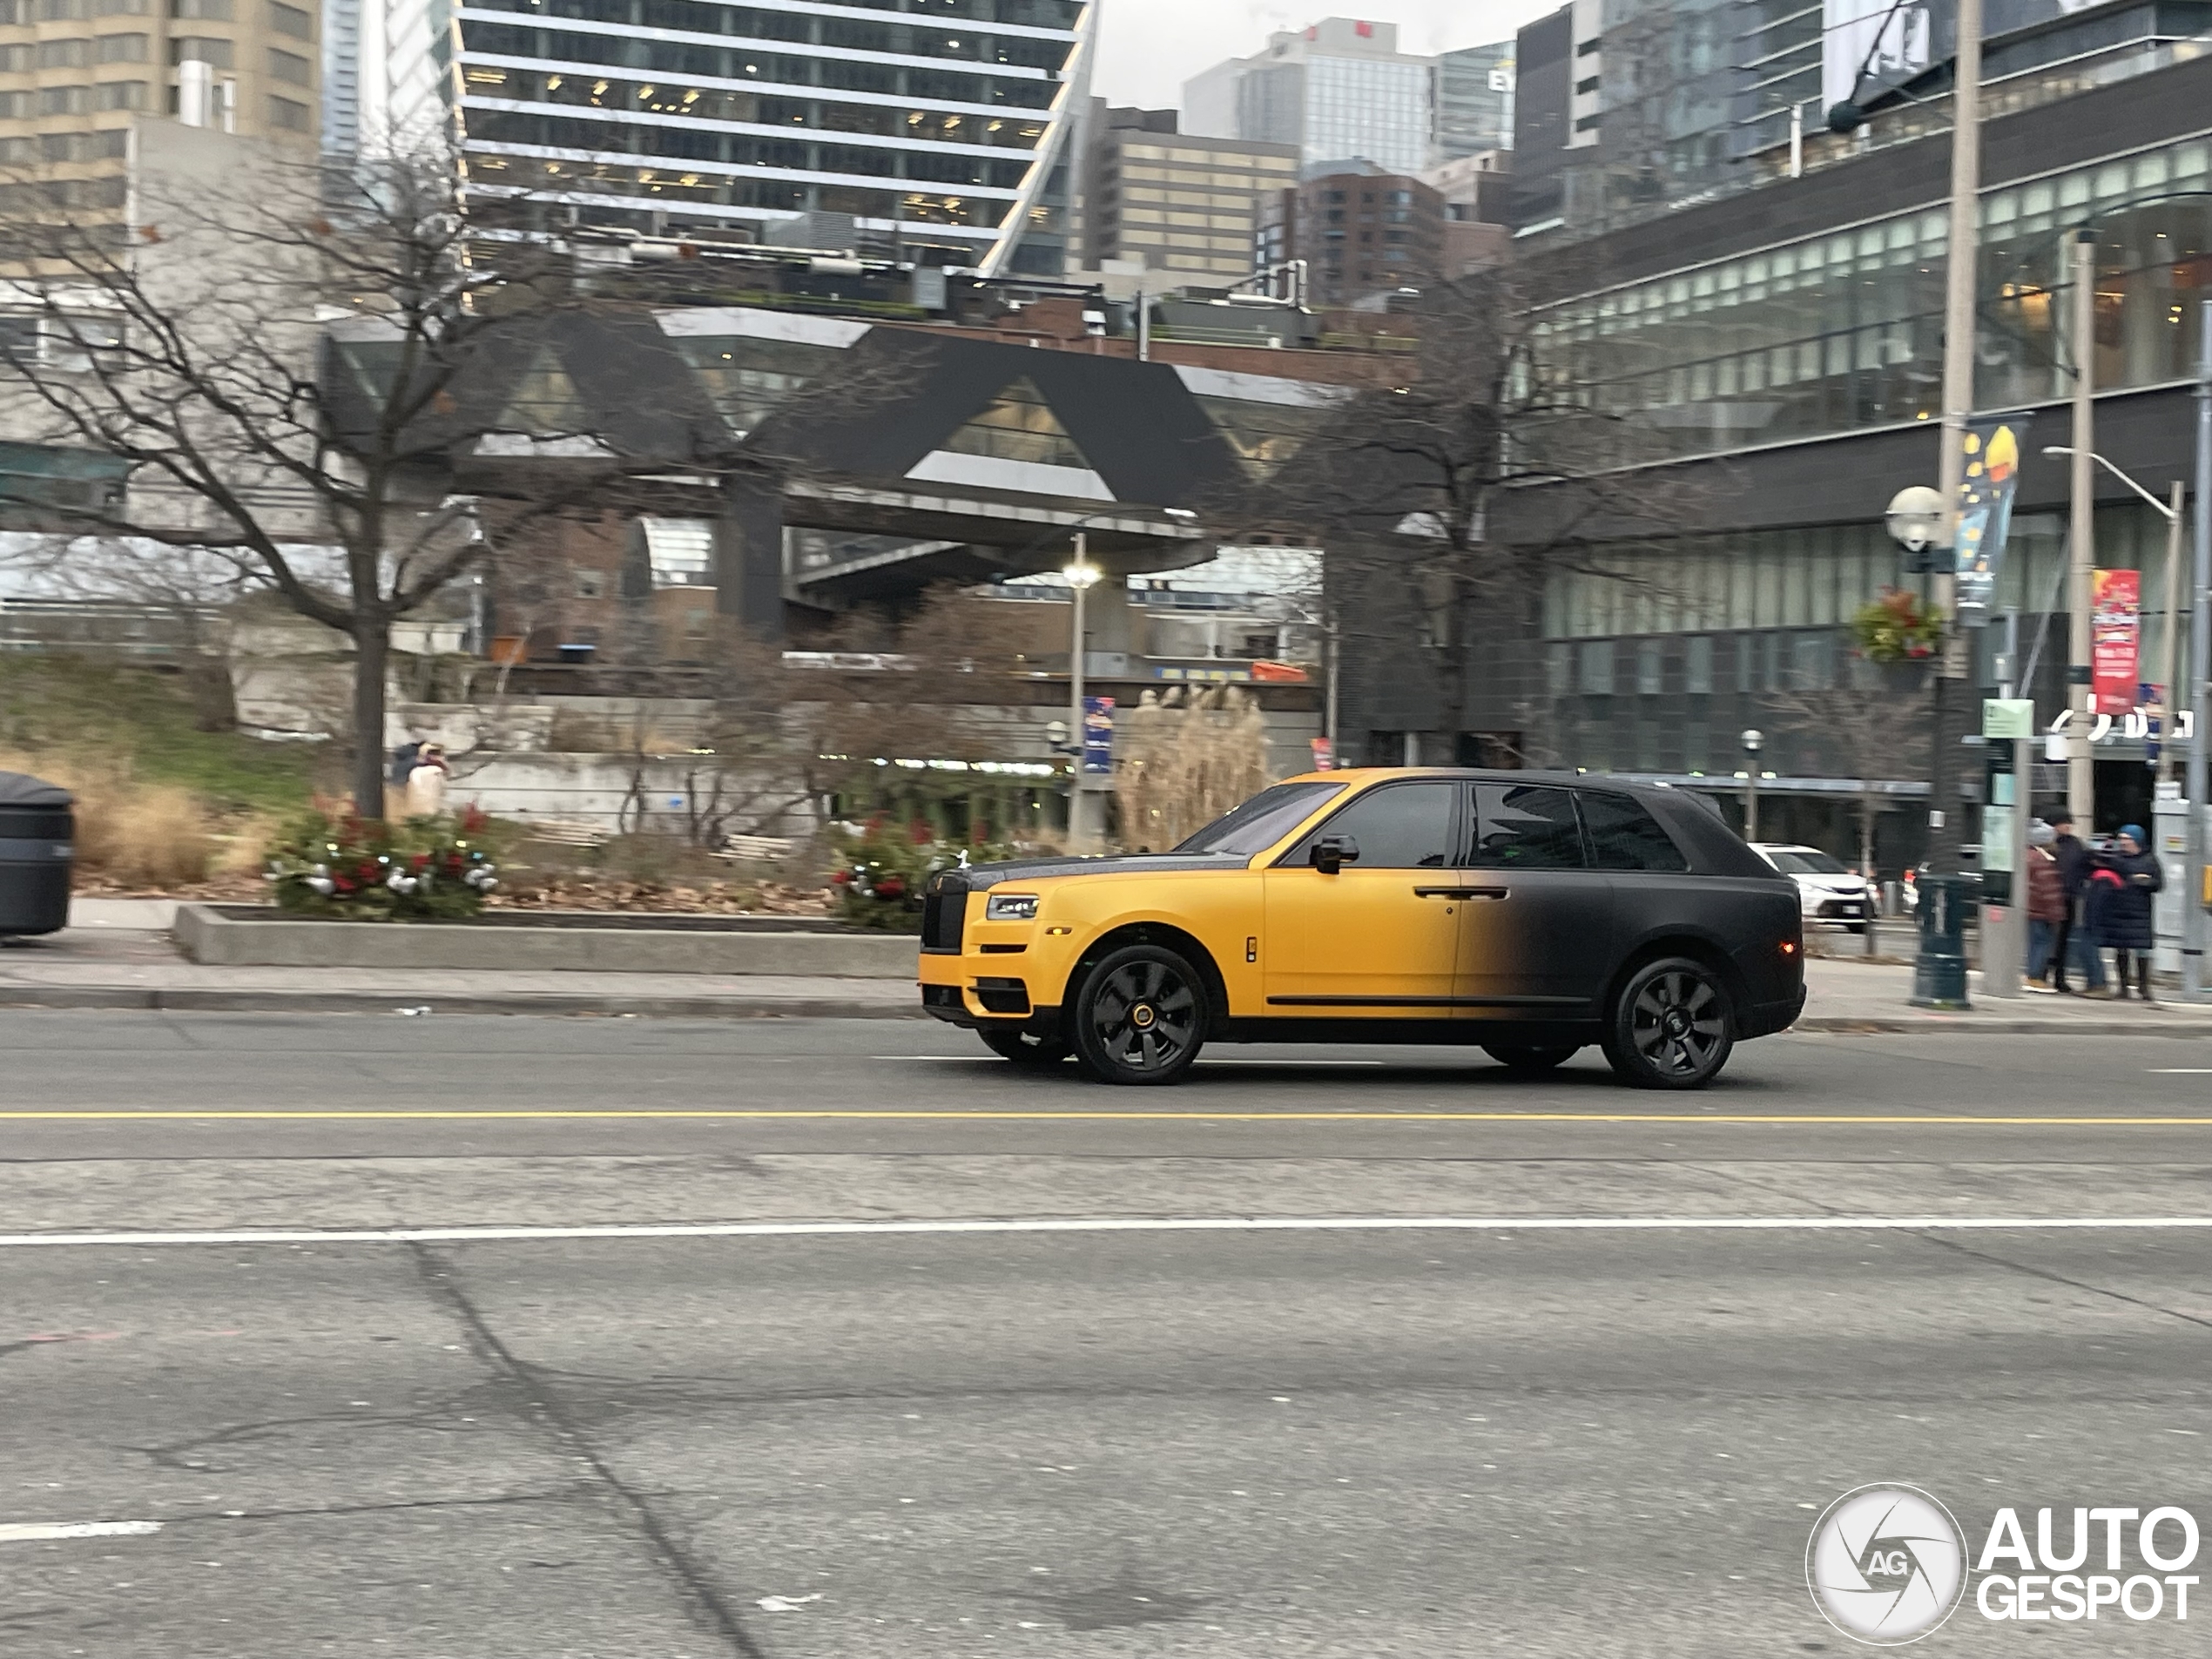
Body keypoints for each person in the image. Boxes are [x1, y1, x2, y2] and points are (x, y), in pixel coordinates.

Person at [2099, 824, 2163, 1001]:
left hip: (2140, 911)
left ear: (2137, 840)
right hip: (2118, 908)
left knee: (2142, 950)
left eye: (2127, 839)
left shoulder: (2149, 860)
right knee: (2121, 948)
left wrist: (2142, 882)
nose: (2123, 842)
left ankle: (2144, 986)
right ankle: (2123, 986)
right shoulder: (2115, 858)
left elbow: (2158, 884)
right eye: (2122, 839)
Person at [2045, 811, 2107, 996]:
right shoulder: (2048, 845)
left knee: (2063, 939)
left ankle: (2059, 977)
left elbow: (2087, 863)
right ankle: (2042, 974)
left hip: (2070, 896)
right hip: (2051, 896)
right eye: (2064, 823)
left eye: (2069, 823)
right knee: (2048, 938)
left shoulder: (2075, 844)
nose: (2068, 826)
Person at [2024, 821, 2067, 992]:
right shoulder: (2041, 860)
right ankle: (2035, 977)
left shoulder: (2026, 856)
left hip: (2031, 908)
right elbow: (2048, 889)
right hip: (2040, 910)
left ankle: (2032, 976)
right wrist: (2056, 912)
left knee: (2034, 943)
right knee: (2041, 943)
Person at [404, 742, 449, 819]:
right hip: (432, 811)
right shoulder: (437, 771)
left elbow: (411, 791)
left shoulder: (414, 771)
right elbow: (443, 792)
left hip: (415, 811)